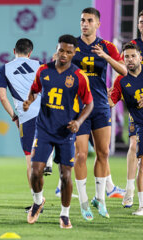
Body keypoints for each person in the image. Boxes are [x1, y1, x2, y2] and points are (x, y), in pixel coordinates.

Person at [24, 34, 93, 229]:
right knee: (35, 171)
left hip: (66, 132)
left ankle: (64, 214)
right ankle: (37, 202)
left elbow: (89, 103)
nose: (63, 54)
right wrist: (29, 101)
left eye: (68, 52)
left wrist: (79, 122)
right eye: (61, 50)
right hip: (44, 128)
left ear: (74, 53)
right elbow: (34, 89)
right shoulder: (43, 71)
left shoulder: (79, 76)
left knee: (65, 176)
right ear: (57, 48)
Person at [72, 7, 127, 220]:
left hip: (101, 105)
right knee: (81, 154)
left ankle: (100, 199)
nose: (84, 24)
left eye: (89, 20)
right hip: (78, 108)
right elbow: (57, 66)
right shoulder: (72, 45)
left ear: (98, 24)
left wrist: (105, 56)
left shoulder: (107, 46)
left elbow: (123, 71)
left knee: (103, 153)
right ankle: (84, 202)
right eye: (82, 20)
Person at [0, 38, 41, 196]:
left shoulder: (4, 69)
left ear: (14, 51)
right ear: (30, 53)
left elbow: (3, 97)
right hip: (46, 115)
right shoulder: (39, 65)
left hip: (26, 117)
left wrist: (14, 116)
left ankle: (37, 201)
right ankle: (48, 161)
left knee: (30, 161)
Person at [109, 42, 143, 216]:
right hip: (138, 121)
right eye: (126, 56)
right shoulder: (121, 80)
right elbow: (110, 102)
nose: (129, 59)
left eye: (133, 56)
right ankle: (132, 193)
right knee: (138, 153)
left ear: (140, 58)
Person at [121, 10, 143, 208]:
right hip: (137, 103)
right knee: (134, 145)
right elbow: (124, 69)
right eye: (141, 22)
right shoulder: (134, 46)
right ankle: (129, 192)